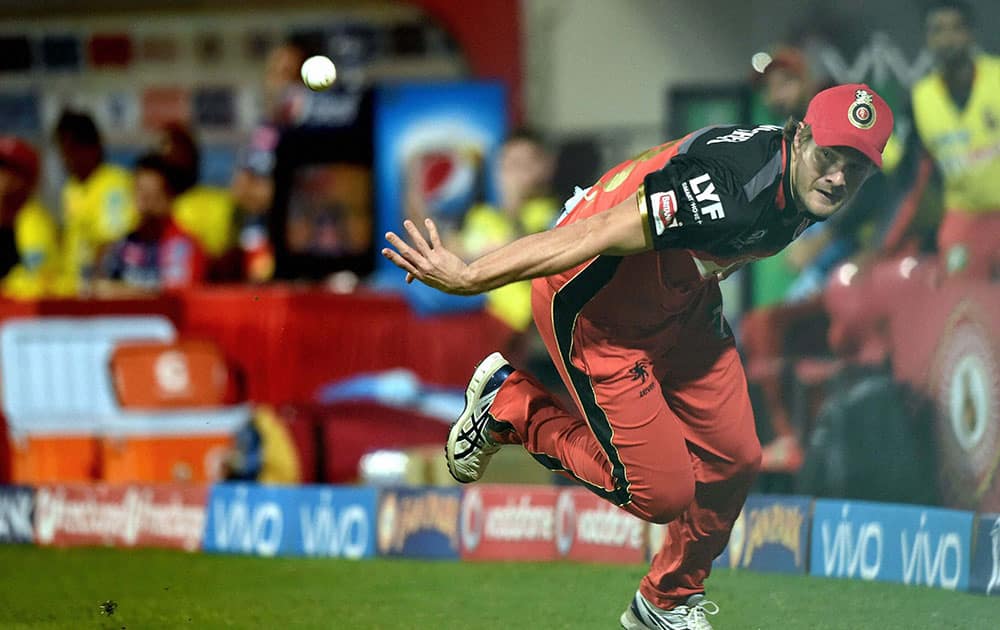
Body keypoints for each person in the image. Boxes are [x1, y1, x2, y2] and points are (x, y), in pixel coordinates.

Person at [383, 83, 893, 629]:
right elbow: (598, 230)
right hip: (596, 307)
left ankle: (665, 604)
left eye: (855, 167)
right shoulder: (731, 185)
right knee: (661, 493)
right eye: (829, 156)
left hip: (681, 301)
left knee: (736, 459)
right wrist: (469, 276)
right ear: (799, 134)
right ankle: (510, 405)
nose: (838, 177)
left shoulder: (805, 184)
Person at [909, 0, 1000, 279]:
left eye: (956, 28)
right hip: (964, 217)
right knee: (957, 299)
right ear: (928, 39)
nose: (947, 39)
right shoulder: (921, 98)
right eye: (938, 30)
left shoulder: (997, 77)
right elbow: (908, 177)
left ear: (971, 33)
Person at [53, 109, 137, 296]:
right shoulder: (71, 187)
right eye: (63, 149)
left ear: (93, 147)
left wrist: (90, 287)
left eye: (72, 148)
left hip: (98, 290)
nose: (66, 157)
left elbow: (113, 242)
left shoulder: (115, 184)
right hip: (70, 289)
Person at [97, 153, 206, 294]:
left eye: (152, 194)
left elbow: (178, 298)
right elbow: (99, 289)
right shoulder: (122, 245)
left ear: (169, 195)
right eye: (139, 190)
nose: (144, 201)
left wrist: (123, 292)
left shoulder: (184, 247)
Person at [0, 136, 59, 298]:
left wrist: (6, 287)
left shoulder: (34, 222)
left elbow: (42, 282)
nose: (2, 176)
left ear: (25, 178)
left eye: (6, 169)